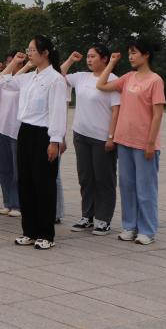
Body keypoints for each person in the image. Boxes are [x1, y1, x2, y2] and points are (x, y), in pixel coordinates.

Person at [97, 37, 165, 245]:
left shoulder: (155, 80)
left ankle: (147, 230)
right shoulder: (128, 77)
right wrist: (111, 63)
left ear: (146, 55)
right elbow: (101, 85)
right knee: (127, 187)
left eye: (134, 53)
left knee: (145, 190)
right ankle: (129, 226)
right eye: (129, 53)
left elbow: (157, 114)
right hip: (124, 141)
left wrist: (150, 143)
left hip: (144, 144)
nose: (130, 57)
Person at [3, 35, 68, 250]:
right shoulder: (29, 77)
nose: (29, 53)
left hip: (44, 134)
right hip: (25, 131)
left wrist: (55, 141)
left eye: (32, 50)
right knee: (26, 182)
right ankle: (29, 231)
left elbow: (58, 112)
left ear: (45, 52)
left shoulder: (55, 79)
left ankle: (46, 234)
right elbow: (3, 81)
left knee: (44, 184)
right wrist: (19, 64)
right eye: (28, 49)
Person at [61, 45, 121, 235]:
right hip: (81, 135)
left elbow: (116, 111)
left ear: (105, 59)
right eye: (87, 56)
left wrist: (111, 137)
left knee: (104, 179)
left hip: (102, 138)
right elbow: (57, 76)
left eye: (93, 56)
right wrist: (70, 60)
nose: (89, 59)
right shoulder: (81, 77)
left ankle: (103, 219)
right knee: (85, 178)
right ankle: (87, 216)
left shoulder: (113, 80)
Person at [0, 53, 23, 218]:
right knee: (4, 169)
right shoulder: (3, 80)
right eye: (9, 62)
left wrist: (22, 65)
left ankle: (17, 203)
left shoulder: (24, 79)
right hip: (2, 128)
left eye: (16, 62)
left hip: (17, 130)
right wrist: (9, 67)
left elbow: (14, 82)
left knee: (17, 170)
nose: (12, 64)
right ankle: (7, 202)